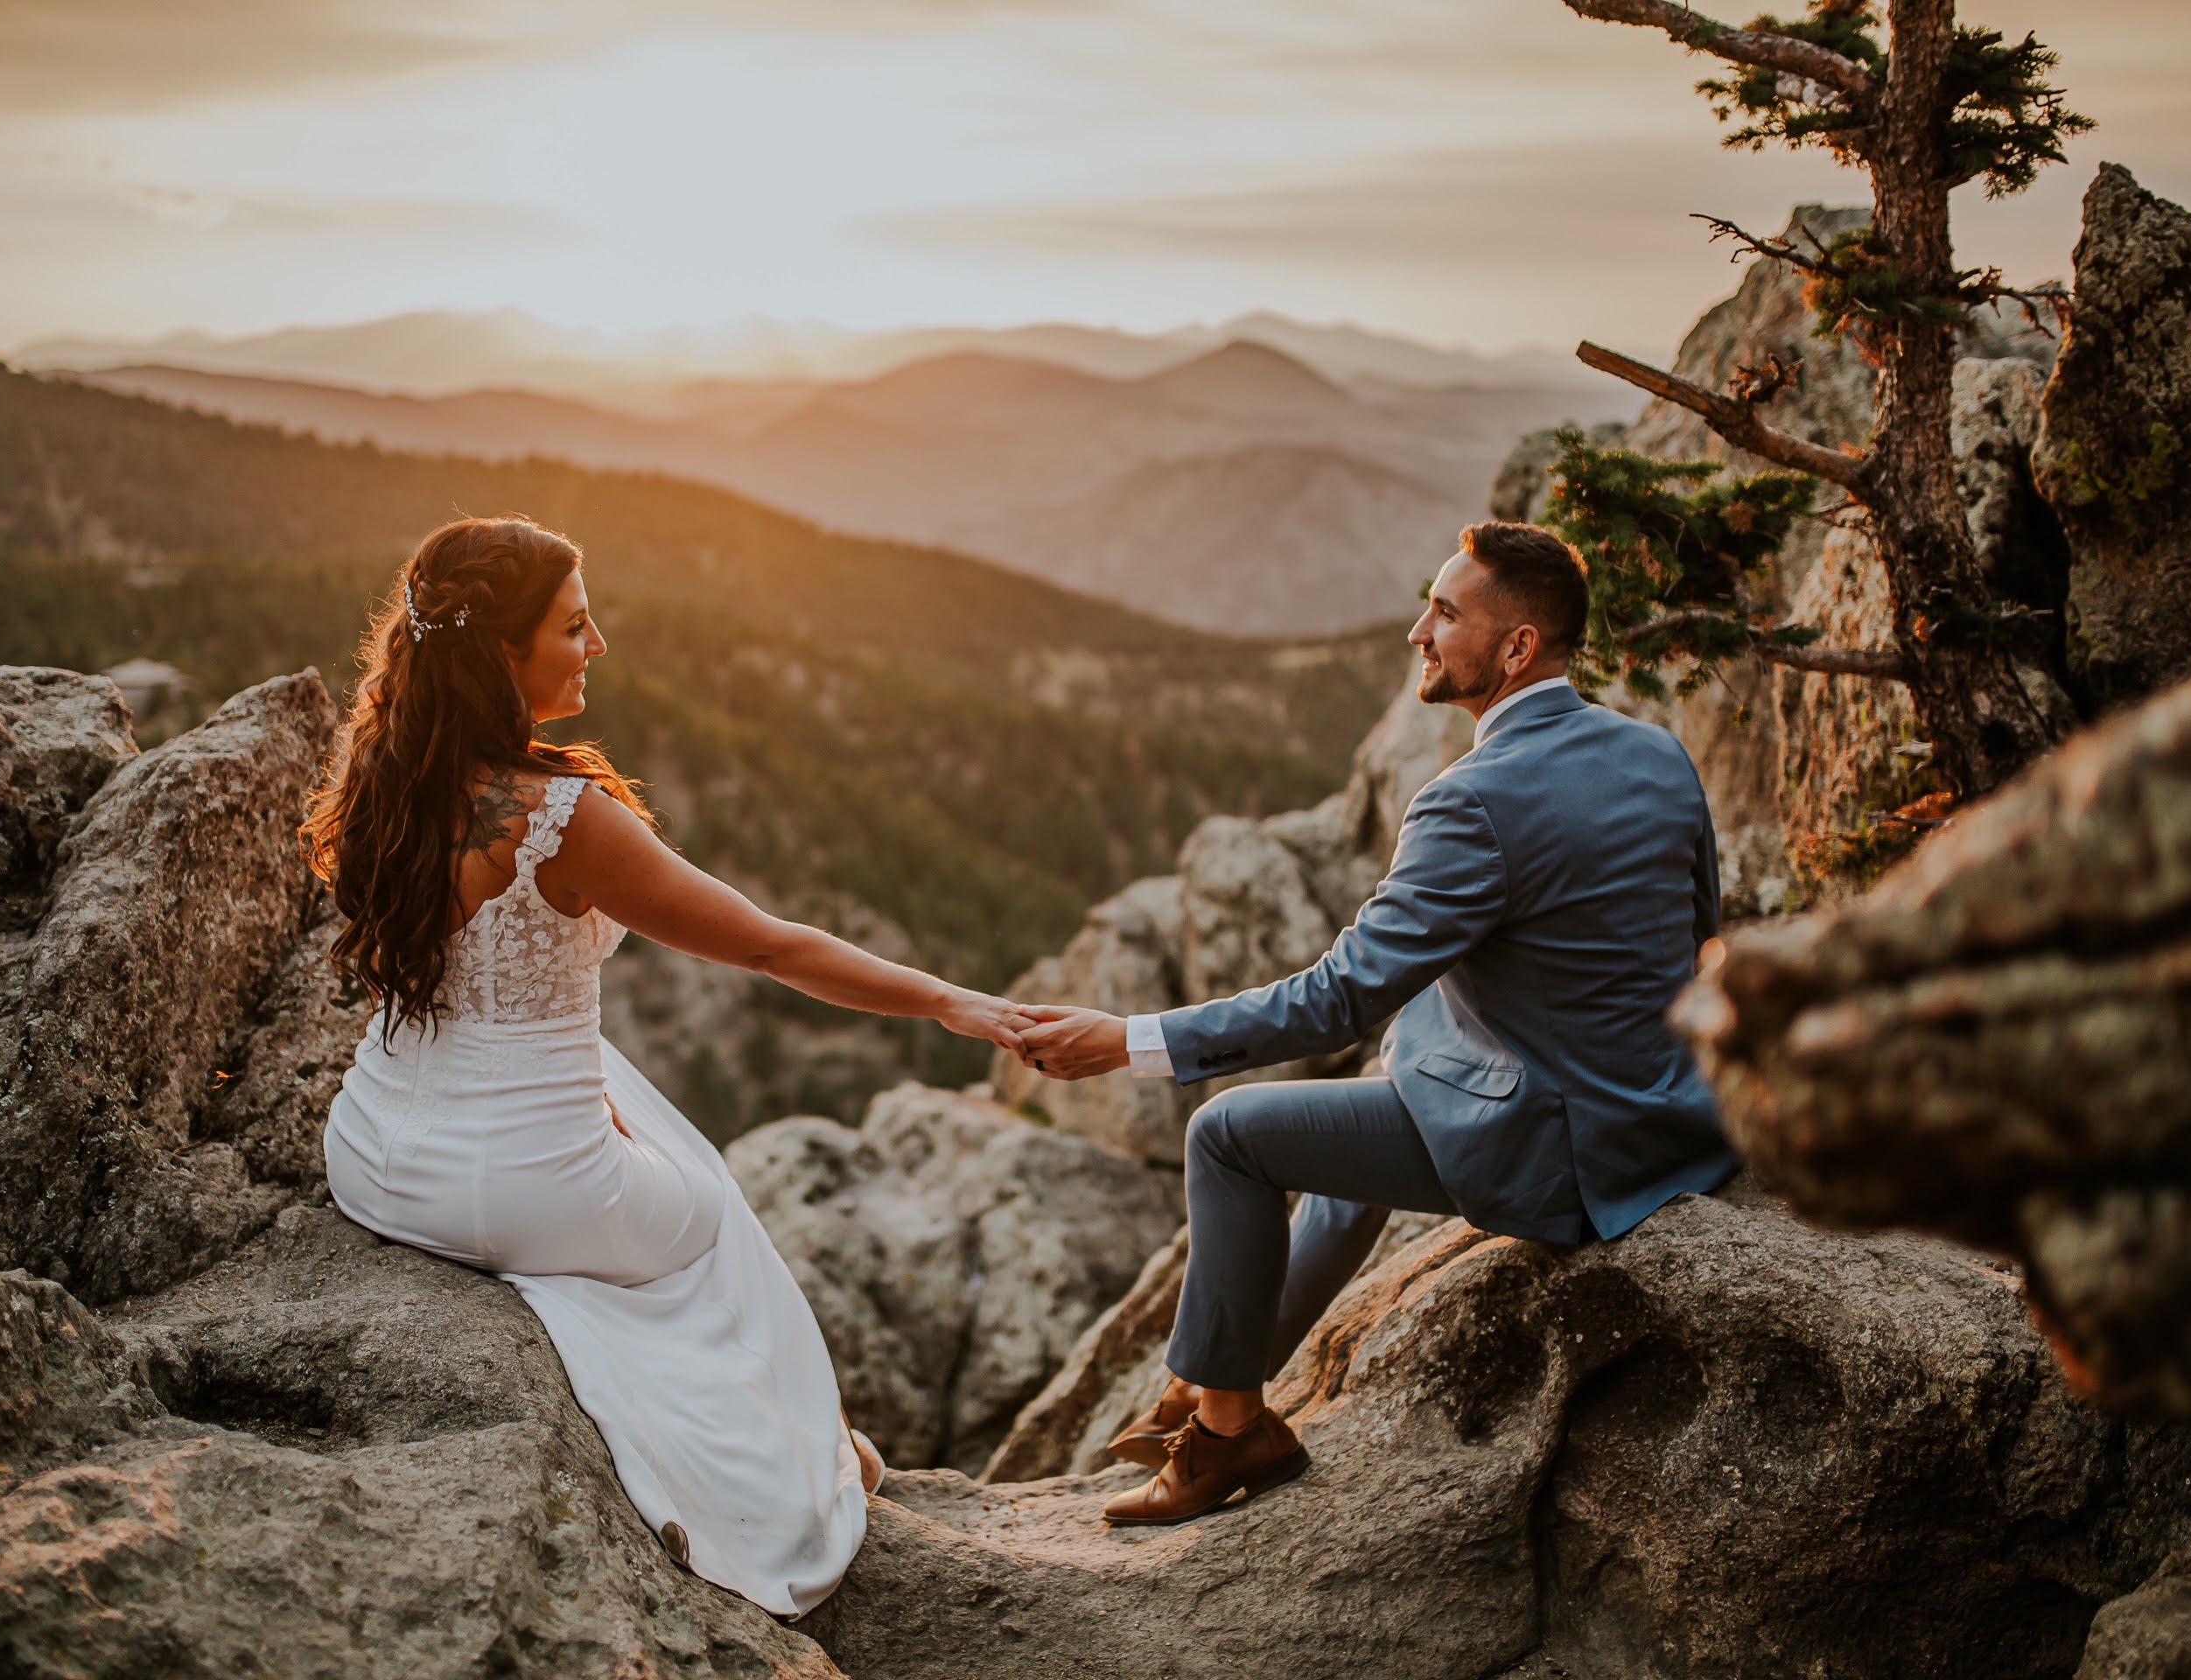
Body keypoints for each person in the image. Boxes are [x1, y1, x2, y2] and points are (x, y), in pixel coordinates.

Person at [303, 515, 1030, 1615]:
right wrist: (949, 1002)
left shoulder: (380, 779)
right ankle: (812, 1468)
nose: (598, 644)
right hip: (514, 1190)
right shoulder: (561, 819)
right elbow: (770, 944)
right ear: (501, 654)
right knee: (712, 1208)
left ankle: (690, 1385)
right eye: (575, 626)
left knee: (618, 1086)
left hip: (370, 1158)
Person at [1016, 520, 1733, 1527]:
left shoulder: (1472, 800)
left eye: (1445, 613)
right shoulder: (1658, 754)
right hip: (1664, 1113)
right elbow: (1700, 933)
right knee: (1389, 1093)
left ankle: (1229, 1437)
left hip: (1568, 1154)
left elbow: (1336, 998)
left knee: (1229, 1137)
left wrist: (1131, 1041)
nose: (1418, 634)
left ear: (1518, 649)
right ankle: (1232, 1364)